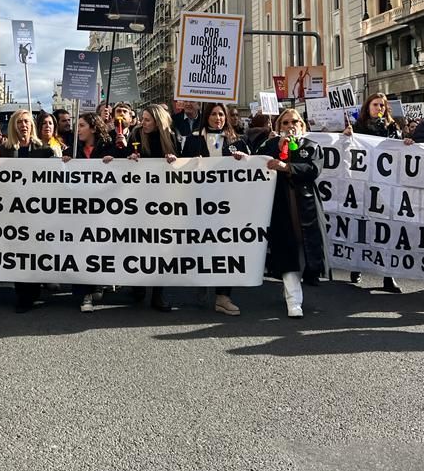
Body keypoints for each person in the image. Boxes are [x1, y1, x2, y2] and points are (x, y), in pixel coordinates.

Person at [181, 103, 247, 316]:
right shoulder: (193, 140)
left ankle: (223, 296)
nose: (218, 118)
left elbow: (251, 167)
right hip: (200, 204)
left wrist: (243, 160)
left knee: (226, 247)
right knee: (203, 245)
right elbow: (182, 169)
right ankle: (201, 281)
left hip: (228, 204)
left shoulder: (235, 141)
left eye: (221, 114)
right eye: (213, 114)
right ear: (206, 117)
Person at [344, 93, 411, 293]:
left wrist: (406, 142)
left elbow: (398, 152)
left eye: (382, 105)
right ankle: (356, 265)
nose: (379, 108)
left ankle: (388, 277)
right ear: (368, 107)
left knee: (385, 229)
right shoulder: (357, 128)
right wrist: (345, 135)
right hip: (362, 185)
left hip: (386, 186)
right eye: (375, 104)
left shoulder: (392, 128)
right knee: (361, 226)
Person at [263, 108, 327, 317]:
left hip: (305, 205)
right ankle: (294, 301)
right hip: (280, 205)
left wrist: (287, 167)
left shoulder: (312, 146)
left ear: (302, 126)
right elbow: (255, 164)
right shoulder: (270, 146)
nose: (291, 126)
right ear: (278, 126)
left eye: (295, 122)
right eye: (286, 122)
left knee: (302, 247)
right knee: (287, 248)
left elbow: (313, 170)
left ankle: (292, 290)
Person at [0, 109, 55, 312]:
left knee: (34, 252)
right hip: (13, 212)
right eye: (19, 122)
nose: (23, 126)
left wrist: (65, 164)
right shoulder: (4, 150)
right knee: (17, 253)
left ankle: (33, 290)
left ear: (32, 125)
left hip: (37, 212)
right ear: (13, 126)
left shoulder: (45, 150)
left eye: (27, 122)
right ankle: (22, 294)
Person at [125, 104, 178, 312]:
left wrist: (174, 160)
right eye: (142, 119)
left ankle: (158, 294)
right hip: (139, 199)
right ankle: (137, 286)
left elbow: (180, 164)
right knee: (139, 243)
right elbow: (128, 158)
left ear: (157, 120)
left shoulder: (170, 137)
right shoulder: (137, 134)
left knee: (160, 247)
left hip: (163, 200)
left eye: (147, 119)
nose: (142, 122)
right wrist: (131, 158)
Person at [65, 112, 115, 312]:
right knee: (80, 249)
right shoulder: (74, 150)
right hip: (78, 211)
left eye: (83, 126)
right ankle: (84, 294)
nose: (79, 130)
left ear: (94, 128)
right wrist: (65, 162)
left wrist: (117, 160)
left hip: (102, 209)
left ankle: (96, 284)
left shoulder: (108, 149)